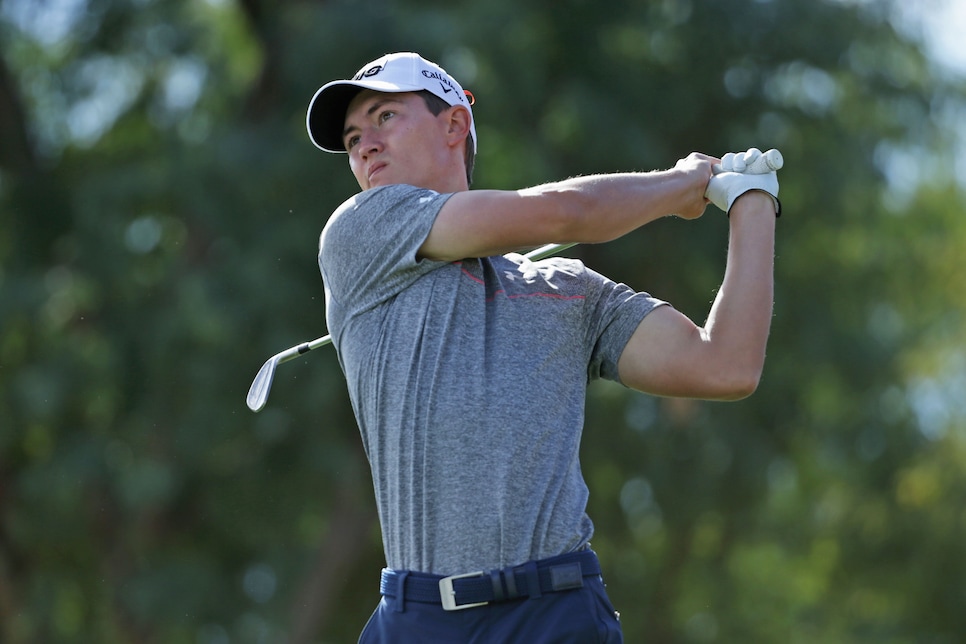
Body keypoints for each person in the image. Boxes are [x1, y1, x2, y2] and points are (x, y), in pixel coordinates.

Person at [306, 52, 780, 642]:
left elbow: (726, 365)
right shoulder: (360, 229)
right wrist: (685, 183)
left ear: (454, 125)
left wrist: (753, 202)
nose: (365, 146)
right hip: (420, 618)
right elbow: (566, 212)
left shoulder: (569, 292)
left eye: (383, 118)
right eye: (353, 137)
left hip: (556, 615)